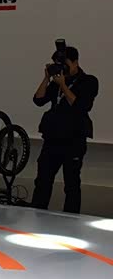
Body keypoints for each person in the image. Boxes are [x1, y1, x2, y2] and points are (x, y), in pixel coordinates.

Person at [31, 46, 99, 213]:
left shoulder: (89, 81)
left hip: (74, 139)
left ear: (75, 62)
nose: (62, 68)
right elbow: (38, 100)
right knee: (43, 180)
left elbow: (81, 106)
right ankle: (37, 213)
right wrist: (47, 78)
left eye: (65, 64)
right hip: (52, 138)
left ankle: (72, 218)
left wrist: (64, 85)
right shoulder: (57, 82)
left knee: (71, 183)